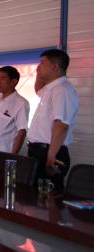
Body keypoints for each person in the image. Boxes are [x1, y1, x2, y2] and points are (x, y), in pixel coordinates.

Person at [26, 49, 78, 192]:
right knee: (35, 195)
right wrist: (38, 74)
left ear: (55, 67)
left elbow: (61, 125)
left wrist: (50, 159)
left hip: (51, 152)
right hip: (39, 150)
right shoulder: (50, 89)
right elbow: (38, 89)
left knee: (49, 196)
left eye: (42, 63)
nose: (38, 66)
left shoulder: (62, 90)